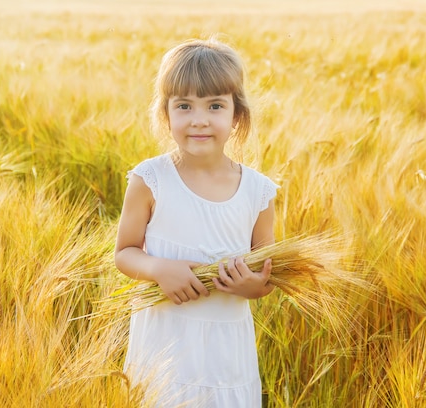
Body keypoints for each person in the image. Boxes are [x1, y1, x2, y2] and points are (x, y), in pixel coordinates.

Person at [114, 37, 279, 407]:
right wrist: (159, 268)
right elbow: (124, 252)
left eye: (215, 106)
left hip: (226, 355)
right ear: (165, 113)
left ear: (237, 116)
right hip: (164, 346)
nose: (199, 120)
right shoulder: (150, 180)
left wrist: (253, 287)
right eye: (184, 106)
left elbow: (267, 272)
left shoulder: (258, 192)